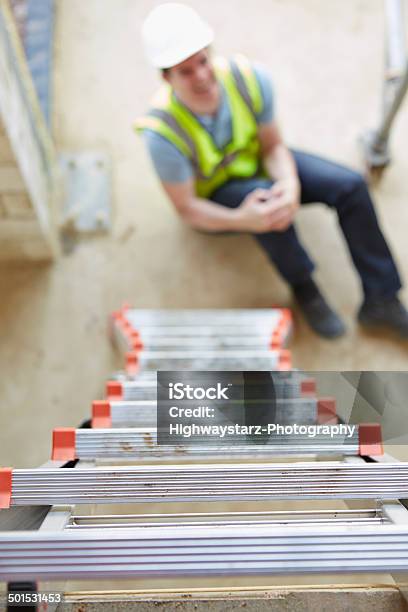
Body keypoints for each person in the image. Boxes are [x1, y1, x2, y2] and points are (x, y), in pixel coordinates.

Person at [135, 2, 408, 339]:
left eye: (203, 62)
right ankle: (304, 286)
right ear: (166, 77)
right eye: (186, 72)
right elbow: (187, 208)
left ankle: (382, 298)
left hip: (260, 163)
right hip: (218, 200)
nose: (202, 77)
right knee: (265, 207)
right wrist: (242, 220)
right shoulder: (162, 134)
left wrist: (290, 184)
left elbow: (273, 146)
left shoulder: (249, 80)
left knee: (350, 186)